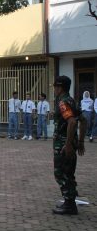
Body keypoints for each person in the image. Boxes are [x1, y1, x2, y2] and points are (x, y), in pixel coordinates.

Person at [51, 76, 86, 215]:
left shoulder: (63, 102)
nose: (54, 89)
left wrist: (68, 144)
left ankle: (69, 204)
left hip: (63, 145)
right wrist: (81, 142)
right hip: (70, 143)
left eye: (55, 87)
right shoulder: (72, 100)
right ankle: (69, 202)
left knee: (60, 173)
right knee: (69, 173)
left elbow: (72, 122)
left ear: (59, 87)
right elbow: (83, 121)